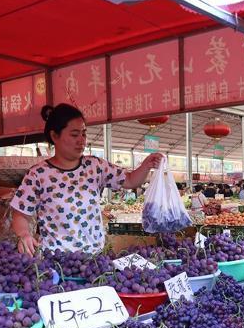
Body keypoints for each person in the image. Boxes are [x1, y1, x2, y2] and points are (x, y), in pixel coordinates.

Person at [10, 103, 162, 255]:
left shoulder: (95, 166)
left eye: (83, 133)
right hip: (56, 260)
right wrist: (24, 234)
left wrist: (146, 165)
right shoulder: (38, 174)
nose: (81, 140)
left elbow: (130, 180)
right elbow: (20, 213)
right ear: (54, 136)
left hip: (94, 259)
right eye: (74, 135)